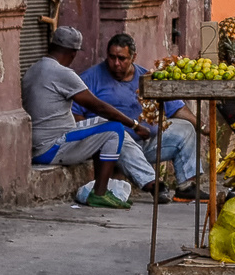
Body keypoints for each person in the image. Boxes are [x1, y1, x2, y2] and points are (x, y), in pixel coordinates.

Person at [25, 26, 162, 208]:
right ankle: (100, 193)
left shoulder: (33, 68)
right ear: (73, 53)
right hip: (51, 147)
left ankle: (124, 183)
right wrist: (134, 124)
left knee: (107, 127)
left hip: (39, 144)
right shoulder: (62, 73)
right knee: (115, 129)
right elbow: (98, 106)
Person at [77, 33, 205, 201]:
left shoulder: (146, 77)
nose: (116, 63)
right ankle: (154, 185)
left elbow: (176, 107)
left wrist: (201, 126)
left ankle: (187, 187)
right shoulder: (90, 78)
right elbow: (75, 113)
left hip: (147, 142)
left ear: (133, 57)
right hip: (113, 146)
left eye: (122, 58)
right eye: (112, 57)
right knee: (116, 134)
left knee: (186, 128)